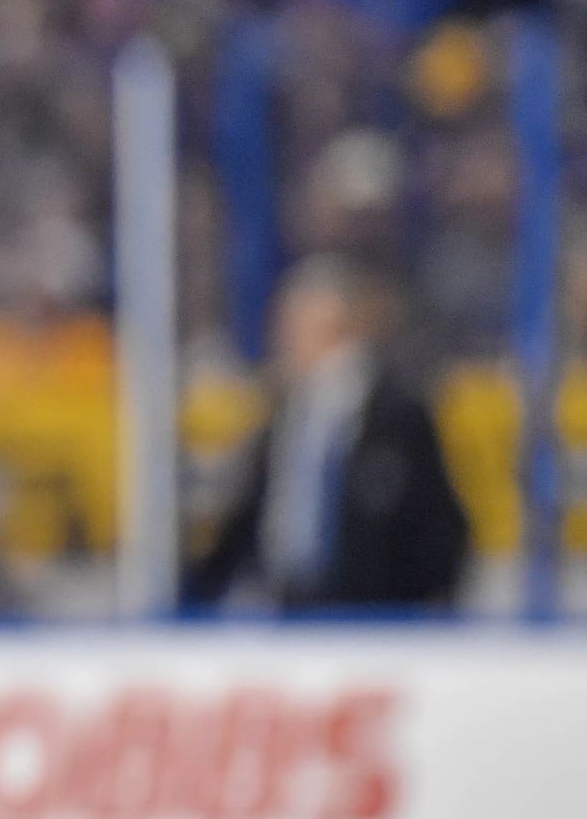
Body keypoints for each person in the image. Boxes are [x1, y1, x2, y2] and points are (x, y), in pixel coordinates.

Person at [184, 255, 470, 613]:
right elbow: (251, 517)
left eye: (293, 326)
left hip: (373, 615)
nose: (281, 338)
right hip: (288, 609)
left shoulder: (397, 416)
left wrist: (413, 609)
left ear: (334, 328)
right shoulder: (286, 413)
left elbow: (438, 527)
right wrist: (193, 591)